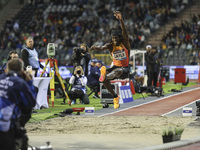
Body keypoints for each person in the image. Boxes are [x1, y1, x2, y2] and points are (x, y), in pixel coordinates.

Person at [90, 11, 131, 109]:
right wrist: (94, 47)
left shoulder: (125, 43)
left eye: (116, 38)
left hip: (124, 68)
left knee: (117, 71)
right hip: (115, 67)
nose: (115, 40)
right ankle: (115, 96)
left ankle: (105, 75)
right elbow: (101, 48)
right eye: (113, 38)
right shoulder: (110, 46)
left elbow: (124, 32)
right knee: (104, 80)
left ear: (120, 38)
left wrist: (121, 20)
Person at [0, 58, 36, 150]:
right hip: (5, 127)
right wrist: (29, 82)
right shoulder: (20, 83)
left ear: (6, 69)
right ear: (21, 71)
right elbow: (31, 103)